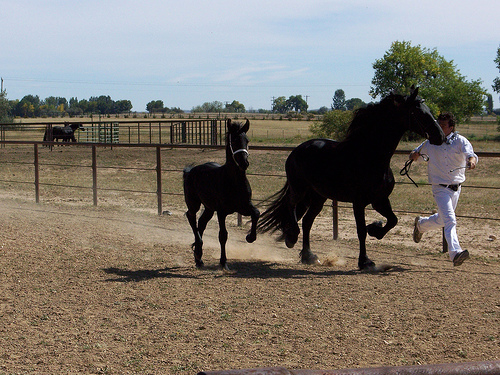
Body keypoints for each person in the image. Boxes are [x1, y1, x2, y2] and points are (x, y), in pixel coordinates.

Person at [409, 112, 478, 266]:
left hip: (456, 188)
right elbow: (415, 154)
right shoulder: (430, 142)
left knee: (442, 220)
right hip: (439, 187)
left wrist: (472, 161)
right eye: (438, 124)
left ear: (451, 127)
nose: (439, 127)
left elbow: (471, 155)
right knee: (450, 220)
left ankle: (421, 225)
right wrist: (414, 155)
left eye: (443, 125)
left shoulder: (460, 141)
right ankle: (455, 254)